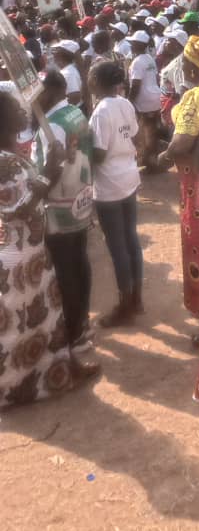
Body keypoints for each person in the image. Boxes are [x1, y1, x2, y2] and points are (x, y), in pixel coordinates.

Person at [0, 90, 99, 408]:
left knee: (31, 321)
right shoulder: (6, 163)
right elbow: (17, 210)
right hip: (21, 256)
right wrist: (51, 170)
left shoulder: (9, 156)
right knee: (29, 320)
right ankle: (31, 383)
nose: (22, 109)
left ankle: (36, 379)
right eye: (14, 108)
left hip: (24, 251)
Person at [158, 36, 199, 324]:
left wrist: (163, 157)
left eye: (185, 63)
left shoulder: (194, 98)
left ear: (194, 69)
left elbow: (181, 143)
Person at [35, 69, 94, 352]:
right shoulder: (74, 112)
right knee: (79, 261)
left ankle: (73, 331)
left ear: (52, 91)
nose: (35, 97)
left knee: (65, 269)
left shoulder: (54, 125)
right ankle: (82, 321)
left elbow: (52, 169)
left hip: (59, 207)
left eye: (39, 91)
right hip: (80, 199)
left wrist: (39, 192)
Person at [89, 61, 143, 326]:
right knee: (131, 237)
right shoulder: (124, 103)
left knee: (117, 245)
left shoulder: (100, 112)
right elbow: (133, 133)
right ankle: (137, 299)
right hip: (129, 177)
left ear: (98, 81)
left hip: (109, 185)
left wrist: (79, 156)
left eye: (91, 74)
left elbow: (98, 154)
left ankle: (125, 305)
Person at [127, 29, 161, 169]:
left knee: (145, 132)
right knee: (153, 131)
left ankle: (150, 163)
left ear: (138, 44)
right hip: (155, 98)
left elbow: (135, 85)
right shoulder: (149, 59)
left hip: (143, 102)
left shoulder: (137, 62)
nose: (131, 45)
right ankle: (152, 160)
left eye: (133, 43)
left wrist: (128, 102)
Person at [52, 40, 83, 106]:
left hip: (74, 111)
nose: (54, 52)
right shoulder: (68, 69)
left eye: (57, 50)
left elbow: (75, 97)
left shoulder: (68, 73)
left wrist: (59, 107)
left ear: (62, 54)